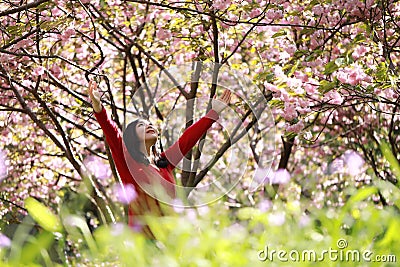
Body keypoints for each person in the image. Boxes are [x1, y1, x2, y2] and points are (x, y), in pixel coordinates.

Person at [88, 80, 231, 237]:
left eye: (150, 124)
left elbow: (186, 141)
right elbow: (111, 131)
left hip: (171, 239)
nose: (149, 126)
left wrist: (212, 114)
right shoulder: (128, 161)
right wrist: (98, 108)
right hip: (144, 241)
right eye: (141, 126)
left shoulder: (164, 163)